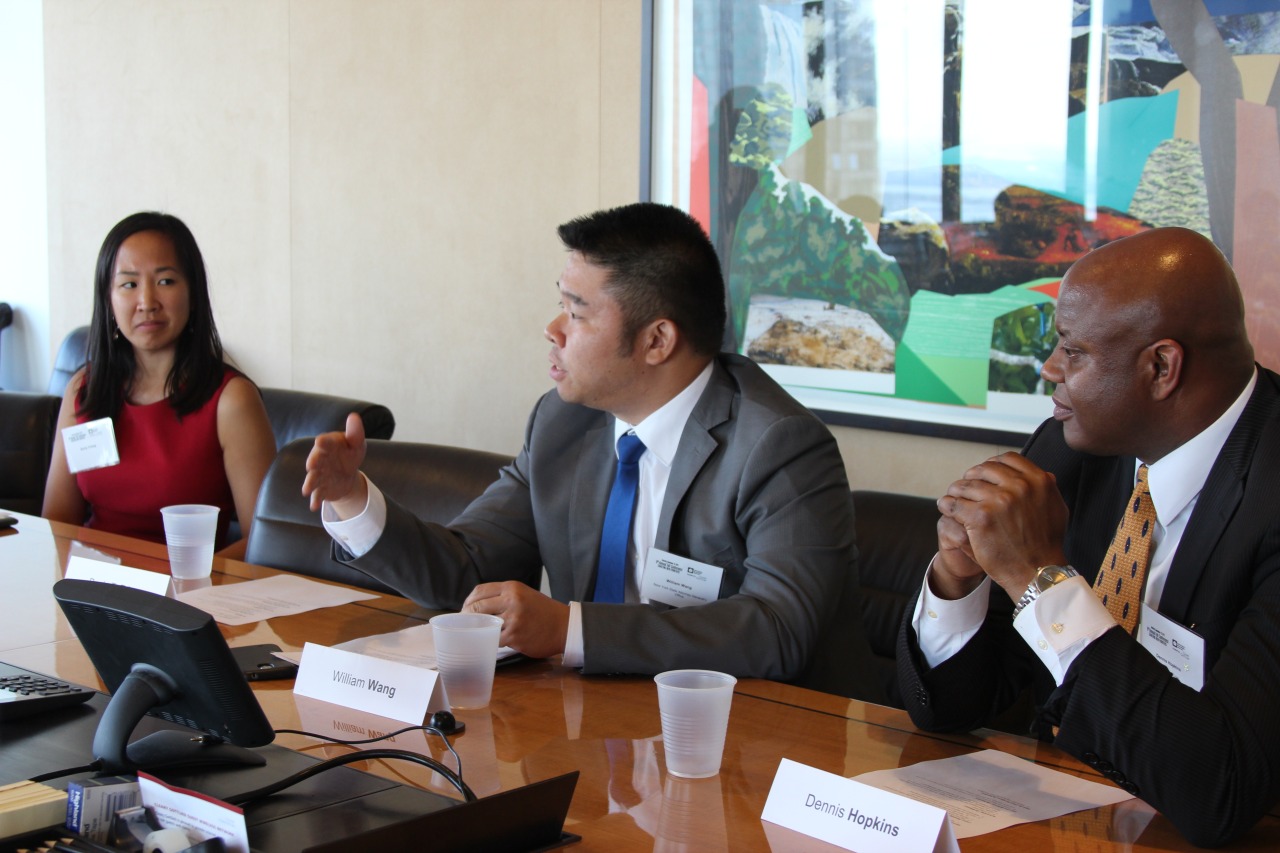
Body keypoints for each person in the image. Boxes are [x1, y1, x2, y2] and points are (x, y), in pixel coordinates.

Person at [303, 202, 874, 690]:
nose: (553, 329)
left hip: (757, 738)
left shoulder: (779, 447)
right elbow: (468, 571)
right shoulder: (563, 422)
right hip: (596, 720)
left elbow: (777, 631)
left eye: (577, 312)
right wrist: (354, 500)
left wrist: (569, 630)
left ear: (657, 340)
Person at [897, 226, 1280, 846]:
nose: (1049, 368)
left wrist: (1041, 581)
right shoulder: (1072, 450)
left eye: (1073, 351)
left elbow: (1221, 789)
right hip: (1062, 816)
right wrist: (958, 579)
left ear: (1161, 367)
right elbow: (949, 708)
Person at [43, 212, 276, 559]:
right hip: (91, 582)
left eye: (166, 281)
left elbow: (264, 542)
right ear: (108, 299)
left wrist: (180, 579)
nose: (147, 302)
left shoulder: (231, 399)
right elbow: (56, 523)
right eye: (129, 284)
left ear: (193, 294)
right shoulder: (84, 389)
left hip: (187, 586)